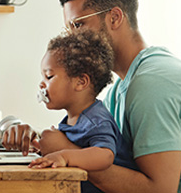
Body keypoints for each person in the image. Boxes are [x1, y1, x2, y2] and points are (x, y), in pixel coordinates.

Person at [3, 0, 181, 193]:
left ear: (114, 17)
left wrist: (65, 150)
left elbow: (160, 190)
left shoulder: (152, 84)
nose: (72, 38)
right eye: (68, 28)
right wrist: (38, 141)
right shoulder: (120, 87)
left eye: (78, 25)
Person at [9, 29, 137, 193]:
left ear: (80, 82)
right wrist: (38, 146)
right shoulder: (73, 118)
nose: (42, 85)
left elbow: (105, 155)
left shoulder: (96, 119)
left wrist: (64, 156)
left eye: (49, 77)